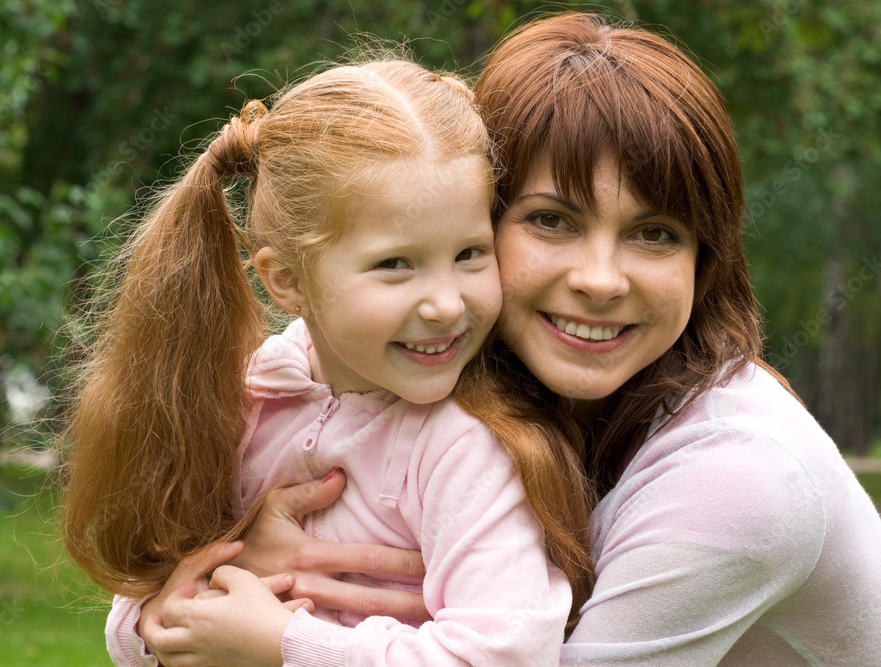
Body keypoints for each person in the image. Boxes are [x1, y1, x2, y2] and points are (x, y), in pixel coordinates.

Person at [131, 11, 881, 667]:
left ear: (705, 260)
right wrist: (233, 564)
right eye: (551, 219)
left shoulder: (738, 478)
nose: (600, 279)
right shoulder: (400, 372)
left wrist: (289, 641)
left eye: (656, 234)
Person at [61, 59, 596, 667]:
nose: (447, 303)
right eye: (395, 263)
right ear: (287, 280)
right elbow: (135, 626)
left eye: (470, 253)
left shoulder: (465, 448)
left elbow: (507, 655)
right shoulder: (244, 399)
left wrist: (286, 646)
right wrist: (164, 614)